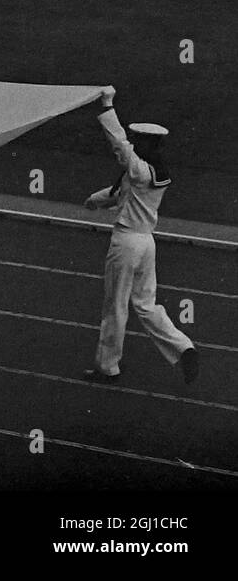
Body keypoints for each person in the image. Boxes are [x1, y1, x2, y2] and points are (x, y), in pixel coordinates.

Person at [83, 87, 198, 386]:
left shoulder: (141, 170)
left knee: (115, 304)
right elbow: (119, 195)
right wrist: (94, 200)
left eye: (140, 139)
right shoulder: (153, 171)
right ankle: (182, 347)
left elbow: (119, 145)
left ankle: (108, 367)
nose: (135, 142)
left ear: (148, 143)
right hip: (147, 243)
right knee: (146, 305)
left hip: (126, 242)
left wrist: (107, 106)